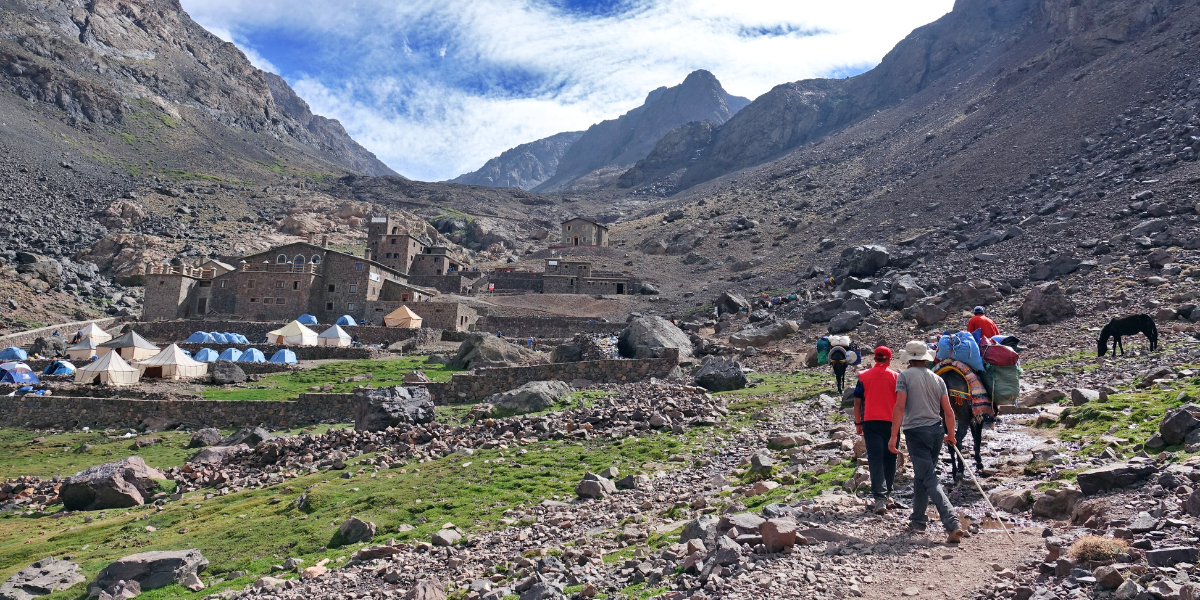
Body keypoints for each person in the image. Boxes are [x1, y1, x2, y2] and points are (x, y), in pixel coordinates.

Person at [888, 340, 965, 542]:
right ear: (924, 359)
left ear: (909, 359)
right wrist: (951, 434)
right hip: (937, 432)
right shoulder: (937, 379)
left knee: (928, 477)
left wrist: (894, 436)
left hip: (915, 431)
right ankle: (918, 520)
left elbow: (899, 407)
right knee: (922, 475)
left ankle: (952, 522)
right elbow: (948, 412)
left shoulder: (904, 376)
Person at [852, 346, 899, 514]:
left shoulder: (863, 377)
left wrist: (858, 423)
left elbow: (857, 404)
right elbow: (902, 403)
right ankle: (887, 494)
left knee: (875, 459)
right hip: (891, 423)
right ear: (889, 359)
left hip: (870, 422)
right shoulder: (896, 377)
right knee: (890, 457)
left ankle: (879, 498)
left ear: (874, 359)